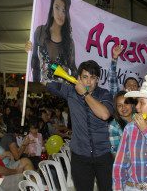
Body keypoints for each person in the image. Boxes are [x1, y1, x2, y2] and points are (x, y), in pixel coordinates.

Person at [46, 60, 114, 191]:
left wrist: (85, 94)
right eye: (85, 77)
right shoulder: (70, 92)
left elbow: (104, 114)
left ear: (97, 79)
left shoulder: (104, 94)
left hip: (103, 155)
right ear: (79, 78)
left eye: (92, 77)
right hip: (80, 157)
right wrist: (32, 57)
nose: (88, 82)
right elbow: (47, 83)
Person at [27, 0, 77, 82]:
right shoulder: (40, 32)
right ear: (52, 10)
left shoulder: (69, 42)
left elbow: (73, 70)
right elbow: (35, 63)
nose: (60, 14)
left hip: (62, 92)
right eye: (57, 8)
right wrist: (28, 51)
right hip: (42, 90)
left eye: (64, 10)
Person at [109, 90, 134, 156]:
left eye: (126, 103)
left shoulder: (140, 118)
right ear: (116, 108)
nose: (123, 107)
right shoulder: (114, 125)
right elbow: (117, 151)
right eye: (119, 105)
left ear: (132, 104)